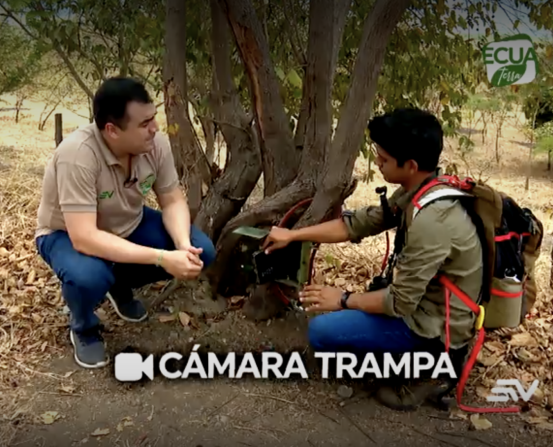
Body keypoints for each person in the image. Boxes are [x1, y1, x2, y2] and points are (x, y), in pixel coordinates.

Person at [262, 107, 483, 410]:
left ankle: (431, 369)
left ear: (411, 165)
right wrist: (293, 235)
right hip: (424, 304)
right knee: (337, 325)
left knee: (322, 333)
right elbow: (359, 223)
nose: (377, 164)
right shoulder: (421, 190)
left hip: (435, 325)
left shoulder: (432, 221)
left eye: (383, 159)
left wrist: (341, 298)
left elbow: (398, 303)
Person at [35, 77, 217, 369]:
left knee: (201, 251)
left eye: (154, 118)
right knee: (90, 276)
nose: (155, 128)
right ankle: (83, 327)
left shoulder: (155, 144)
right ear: (112, 130)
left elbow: (172, 200)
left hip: (129, 223)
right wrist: (161, 257)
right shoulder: (78, 155)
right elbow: (84, 237)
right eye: (144, 123)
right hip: (66, 235)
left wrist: (182, 246)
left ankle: (118, 283)